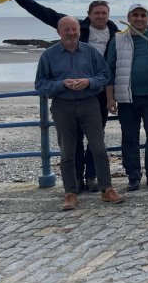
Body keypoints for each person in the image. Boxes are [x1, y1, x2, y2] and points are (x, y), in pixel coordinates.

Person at [5, 0, 119, 192]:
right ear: (89, 15)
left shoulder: (118, 34)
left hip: (99, 92)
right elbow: (43, 13)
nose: (100, 16)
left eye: (104, 13)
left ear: (108, 15)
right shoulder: (75, 27)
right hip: (67, 97)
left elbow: (118, 65)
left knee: (96, 141)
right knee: (71, 141)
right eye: (97, 13)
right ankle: (75, 179)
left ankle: (92, 176)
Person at [35, 16, 124, 210]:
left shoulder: (91, 52)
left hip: (89, 104)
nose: (71, 33)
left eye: (74, 29)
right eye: (66, 29)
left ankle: (106, 189)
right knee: (67, 151)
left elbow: (105, 74)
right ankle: (70, 192)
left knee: (99, 148)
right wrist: (62, 84)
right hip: (63, 105)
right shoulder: (48, 56)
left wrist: (88, 82)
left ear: (79, 30)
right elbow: (40, 84)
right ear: (59, 32)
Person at [106, 5, 148, 190]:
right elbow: (110, 68)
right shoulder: (118, 39)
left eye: (143, 15)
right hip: (126, 98)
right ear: (128, 18)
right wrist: (110, 98)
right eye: (135, 15)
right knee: (129, 138)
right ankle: (133, 176)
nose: (139, 18)